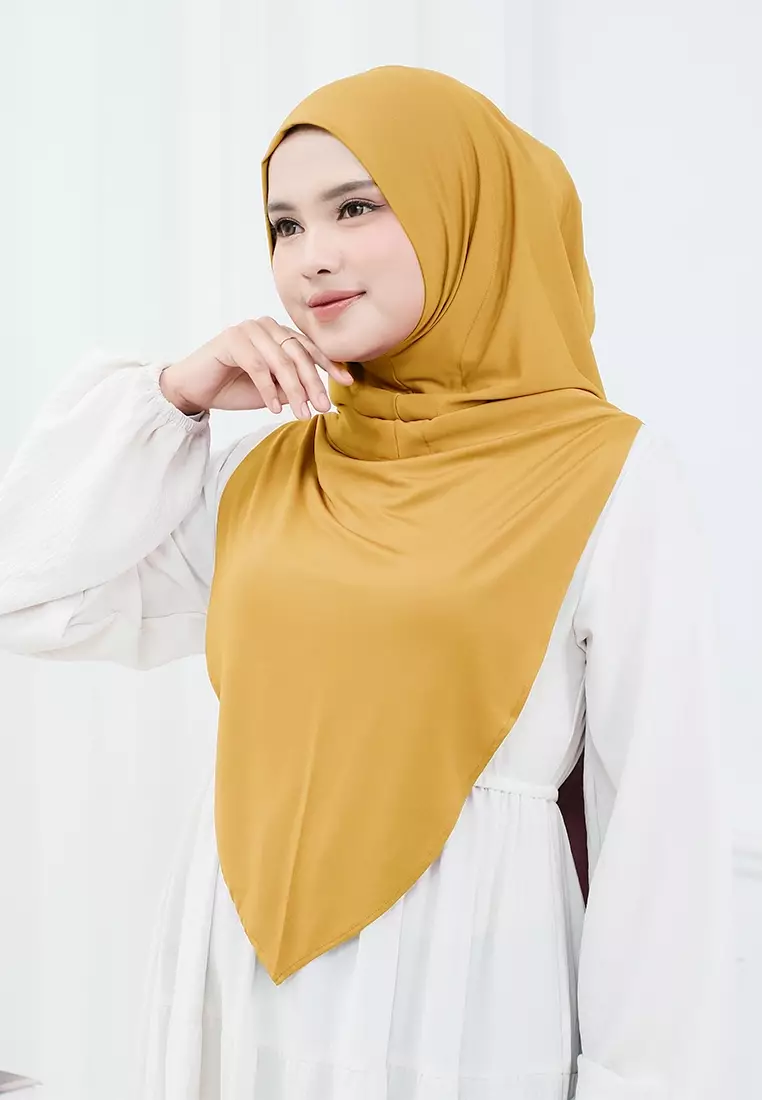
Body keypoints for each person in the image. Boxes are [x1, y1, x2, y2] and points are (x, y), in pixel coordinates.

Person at [0, 65, 733, 1100]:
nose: (312, 256)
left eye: (356, 206)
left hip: (466, 1005)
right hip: (236, 987)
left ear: (468, 213)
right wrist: (174, 397)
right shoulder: (267, 469)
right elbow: (29, 591)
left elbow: (662, 831)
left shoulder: (609, 477)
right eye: (284, 225)